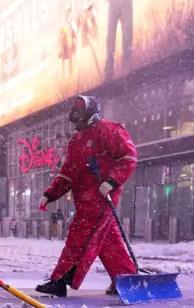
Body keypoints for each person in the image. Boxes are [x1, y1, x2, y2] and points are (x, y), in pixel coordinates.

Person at [37, 95, 137, 297]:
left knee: (81, 236)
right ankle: (126, 279)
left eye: (78, 114)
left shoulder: (110, 130)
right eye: (73, 115)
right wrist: (50, 193)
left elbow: (129, 157)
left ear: (90, 113)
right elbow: (68, 173)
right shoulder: (76, 141)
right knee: (107, 240)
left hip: (101, 196)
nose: (75, 120)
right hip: (83, 198)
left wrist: (112, 181)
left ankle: (61, 279)